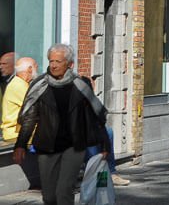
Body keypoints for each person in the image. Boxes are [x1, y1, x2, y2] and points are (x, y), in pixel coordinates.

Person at [13, 44, 110, 205]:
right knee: (49, 196)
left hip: (74, 146)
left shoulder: (81, 85)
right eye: (51, 61)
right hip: (47, 146)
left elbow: (95, 116)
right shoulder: (40, 85)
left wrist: (105, 145)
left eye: (58, 61)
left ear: (69, 64)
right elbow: (30, 118)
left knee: (64, 191)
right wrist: (20, 145)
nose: (53, 65)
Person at [2, 57, 39, 188]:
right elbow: (35, 108)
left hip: (23, 130)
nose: (37, 69)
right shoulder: (19, 85)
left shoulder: (21, 84)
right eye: (36, 66)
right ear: (29, 69)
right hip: (14, 132)